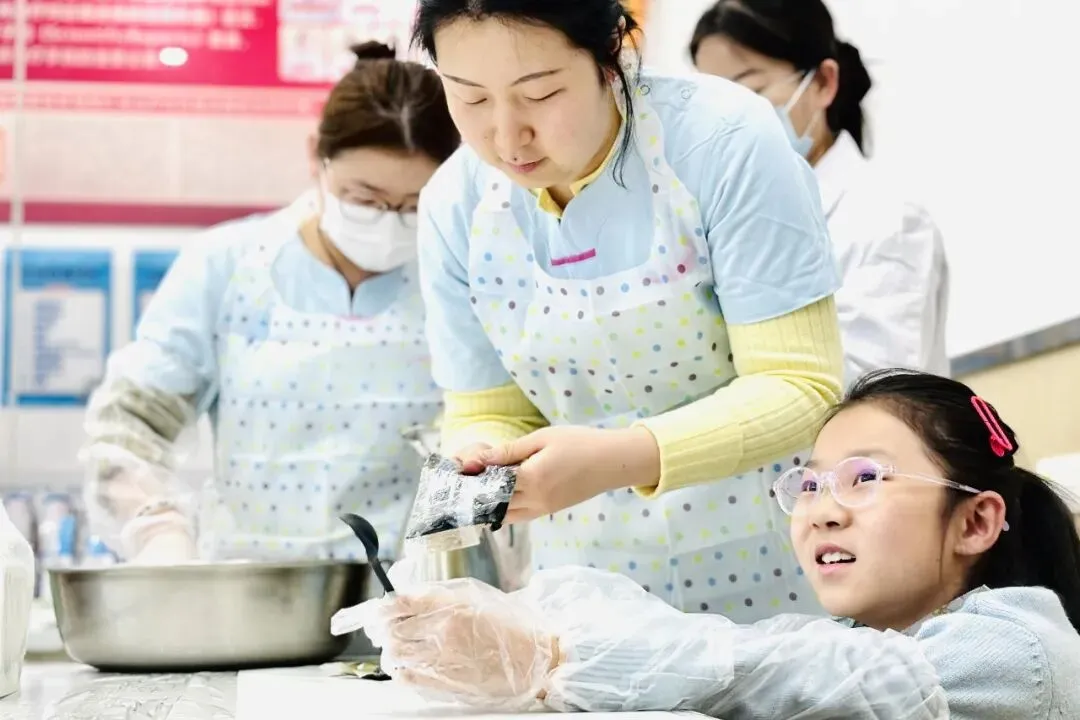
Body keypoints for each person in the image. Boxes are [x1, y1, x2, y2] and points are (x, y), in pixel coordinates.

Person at [413, 0, 845, 619]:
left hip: (772, 572)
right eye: (471, 98)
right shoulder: (455, 204)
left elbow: (800, 385)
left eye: (540, 94)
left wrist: (615, 461)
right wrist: (478, 463)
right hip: (584, 599)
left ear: (611, 54)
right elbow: (489, 410)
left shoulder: (722, 140)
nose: (507, 137)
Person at [339, 369, 1080, 719]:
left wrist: (548, 655)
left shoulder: (1022, 650)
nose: (821, 512)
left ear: (975, 522)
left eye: (864, 479)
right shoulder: (860, 637)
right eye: (809, 484)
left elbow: (776, 671)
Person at [79, 42, 461, 565]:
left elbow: (494, 431)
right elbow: (127, 426)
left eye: (413, 206)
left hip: (414, 592)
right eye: (363, 198)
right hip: (251, 589)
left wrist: (457, 560)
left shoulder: (456, 274)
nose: (387, 221)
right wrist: (158, 529)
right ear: (316, 156)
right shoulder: (226, 265)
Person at [691, 0, 950, 382]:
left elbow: (873, 387)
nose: (726, 121)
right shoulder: (720, 223)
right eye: (711, 105)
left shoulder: (887, 220)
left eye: (749, 93)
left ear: (824, 83)